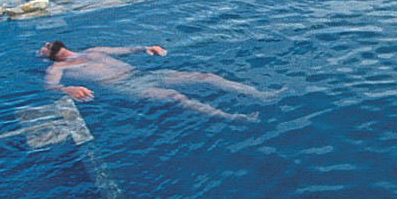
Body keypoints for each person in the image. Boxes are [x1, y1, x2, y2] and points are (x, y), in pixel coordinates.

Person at [37, 40, 280, 121]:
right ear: (46, 57)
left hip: (140, 75)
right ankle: (234, 118)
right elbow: (50, 87)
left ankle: (261, 95)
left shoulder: (94, 50)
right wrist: (67, 88)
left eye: (48, 43)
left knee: (206, 76)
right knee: (177, 97)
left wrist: (146, 48)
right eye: (45, 48)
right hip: (122, 86)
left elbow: (125, 50)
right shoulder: (58, 68)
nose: (48, 45)